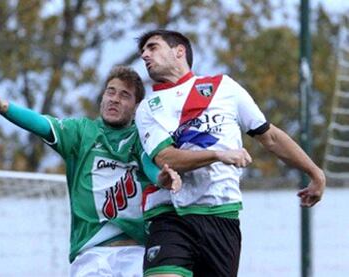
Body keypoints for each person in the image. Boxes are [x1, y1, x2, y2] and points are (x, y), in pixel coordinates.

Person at [0, 66, 250, 277]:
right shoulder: (81, 133)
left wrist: (163, 177)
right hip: (91, 254)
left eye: (124, 95)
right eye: (110, 92)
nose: (114, 99)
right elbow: (41, 123)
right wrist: (4, 108)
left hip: (137, 251)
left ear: (138, 107)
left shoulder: (142, 136)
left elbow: (152, 167)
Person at [135, 30, 326, 277]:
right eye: (143, 51)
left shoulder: (223, 87)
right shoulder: (148, 108)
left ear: (179, 51)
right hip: (171, 216)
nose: (144, 55)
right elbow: (166, 158)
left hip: (222, 214)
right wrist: (219, 155)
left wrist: (315, 172)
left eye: (152, 47)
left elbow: (270, 136)